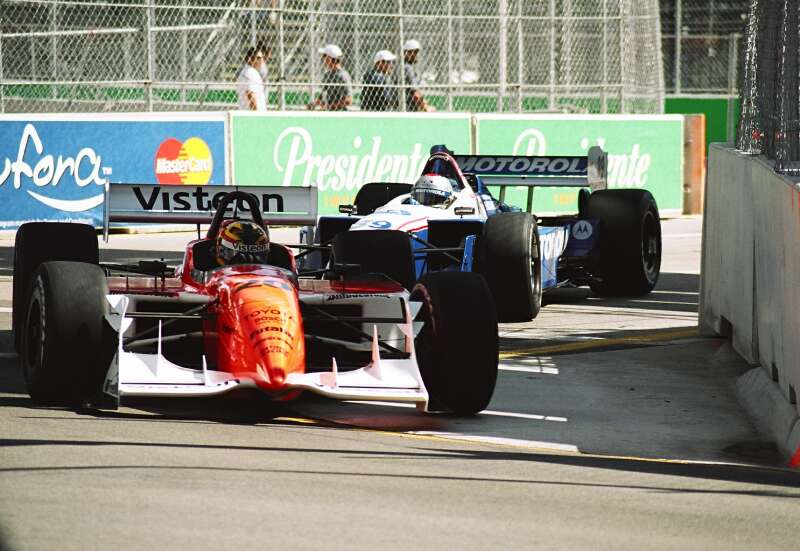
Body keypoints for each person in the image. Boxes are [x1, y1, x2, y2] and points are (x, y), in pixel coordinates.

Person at [307, 44, 353, 111]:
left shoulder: (343, 76)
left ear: (330, 59)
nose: (323, 59)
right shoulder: (327, 75)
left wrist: (329, 106)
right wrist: (314, 104)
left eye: (324, 56)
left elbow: (348, 100)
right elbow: (323, 94)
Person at [402, 39, 433, 112]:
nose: (417, 55)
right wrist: (426, 107)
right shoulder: (407, 68)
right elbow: (415, 93)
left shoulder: (402, 66)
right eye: (415, 52)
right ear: (406, 53)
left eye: (417, 52)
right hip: (408, 108)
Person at [237, 47, 268, 111]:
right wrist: (255, 116)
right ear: (250, 59)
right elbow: (251, 95)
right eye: (258, 58)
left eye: (262, 58)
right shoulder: (251, 72)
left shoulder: (246, 71)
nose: (261, 60)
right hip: (254, 116)